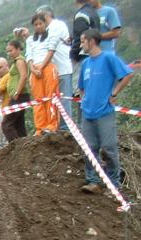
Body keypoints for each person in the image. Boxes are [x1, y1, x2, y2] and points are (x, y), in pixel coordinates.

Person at [76, 29, 133, 195]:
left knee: (109, 148)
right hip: (88, 113)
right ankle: (92, 180)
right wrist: (84, 99)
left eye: (82, 41)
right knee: (89, 149)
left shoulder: (108, 58)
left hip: (105, 112)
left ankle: (114, 183)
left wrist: (114, 93)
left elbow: (127, 74)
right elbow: (81, 87)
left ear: (91, 41)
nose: (81, 44)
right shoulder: (86, 63)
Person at [37, 5, 73, 130]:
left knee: (63, 101)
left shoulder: (57, 26)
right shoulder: (45, 31)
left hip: (62, 69)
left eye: (39, 19)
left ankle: (65, 129)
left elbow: (50, 48)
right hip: (50, 72)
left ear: (46, 16)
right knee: (52, 101)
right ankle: (55, 127)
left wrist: (40, 67)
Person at [26, 12, 59, 135]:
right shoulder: (30, 40)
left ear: (45, 23)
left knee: (51, 96)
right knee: (38, 99)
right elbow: (29, 55)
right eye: (36, 24)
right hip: (35, 70)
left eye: (40, 23)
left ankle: (52, 124)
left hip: (48, 67)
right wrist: (33, 69)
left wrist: (42, 67)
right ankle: (40, 127)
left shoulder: (52, 35)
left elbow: (51, 52)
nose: (38, 26)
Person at [0, 40, 30, 141]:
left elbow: (24, 76)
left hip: (20, 96)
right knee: (18, 124)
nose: (9, 53)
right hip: (18, 96)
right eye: (7, 51)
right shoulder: (16, 61)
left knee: (6, 124)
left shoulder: (19, 60)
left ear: (18, 49)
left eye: (11, 50)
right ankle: (25, 146)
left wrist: (17, 92)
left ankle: (16, 147)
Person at [71, 0, 100, 97]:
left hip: (82, 57)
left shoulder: (81, 15)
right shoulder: (94, 13)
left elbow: (80, 37)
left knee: (80, 91)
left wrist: (73, 55)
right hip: (94, 54)